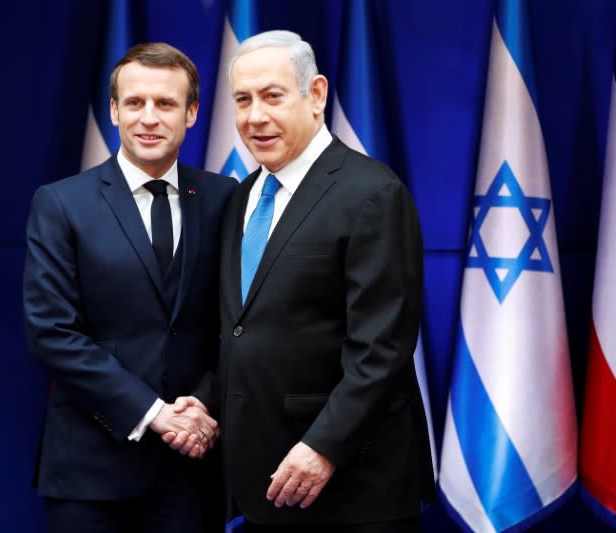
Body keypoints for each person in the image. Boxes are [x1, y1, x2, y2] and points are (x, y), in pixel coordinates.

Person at [187, 30, 436, 532]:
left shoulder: (372, 193)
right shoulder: (241, 200)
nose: (256, 116)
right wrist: (206, 399)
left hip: (354, 491)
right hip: (266, 486)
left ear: (316, 94)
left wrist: (325, 446)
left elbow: (381, 348)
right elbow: (244, 330)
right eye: (242, 100)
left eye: (273, 96)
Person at [23, 42, 236, 533]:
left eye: (165, 104)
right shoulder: (61, 203)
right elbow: (51, 332)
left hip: (193, 468)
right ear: (115, 112)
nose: (149, 117)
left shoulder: (226, 199)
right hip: (90, 472)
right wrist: (154, 414)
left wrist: (201, 405)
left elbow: (237, 323)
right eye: (135, 103)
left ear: (192, 113)